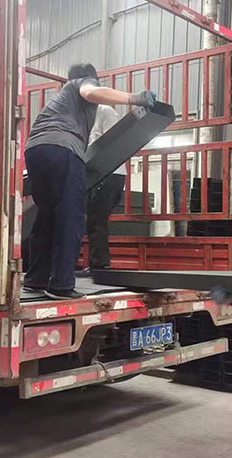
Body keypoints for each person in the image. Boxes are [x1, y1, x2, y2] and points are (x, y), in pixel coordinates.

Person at [24, 63, 155, 300]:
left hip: (36, 150)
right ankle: (61, 285)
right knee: (71, 216)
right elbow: (91, 92)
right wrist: (135, 98)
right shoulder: (80, 85)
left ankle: (36, 280)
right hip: (63, 148)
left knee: (47, 217)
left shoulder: (59, 103)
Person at [80, 104, 124, 275]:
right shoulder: (86, 117)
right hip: (98, 174)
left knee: (97, 220)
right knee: (95, 220)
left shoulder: (105, 111)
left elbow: (114, 141)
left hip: (109, 173)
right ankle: (98, 264)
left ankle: (100, 266)